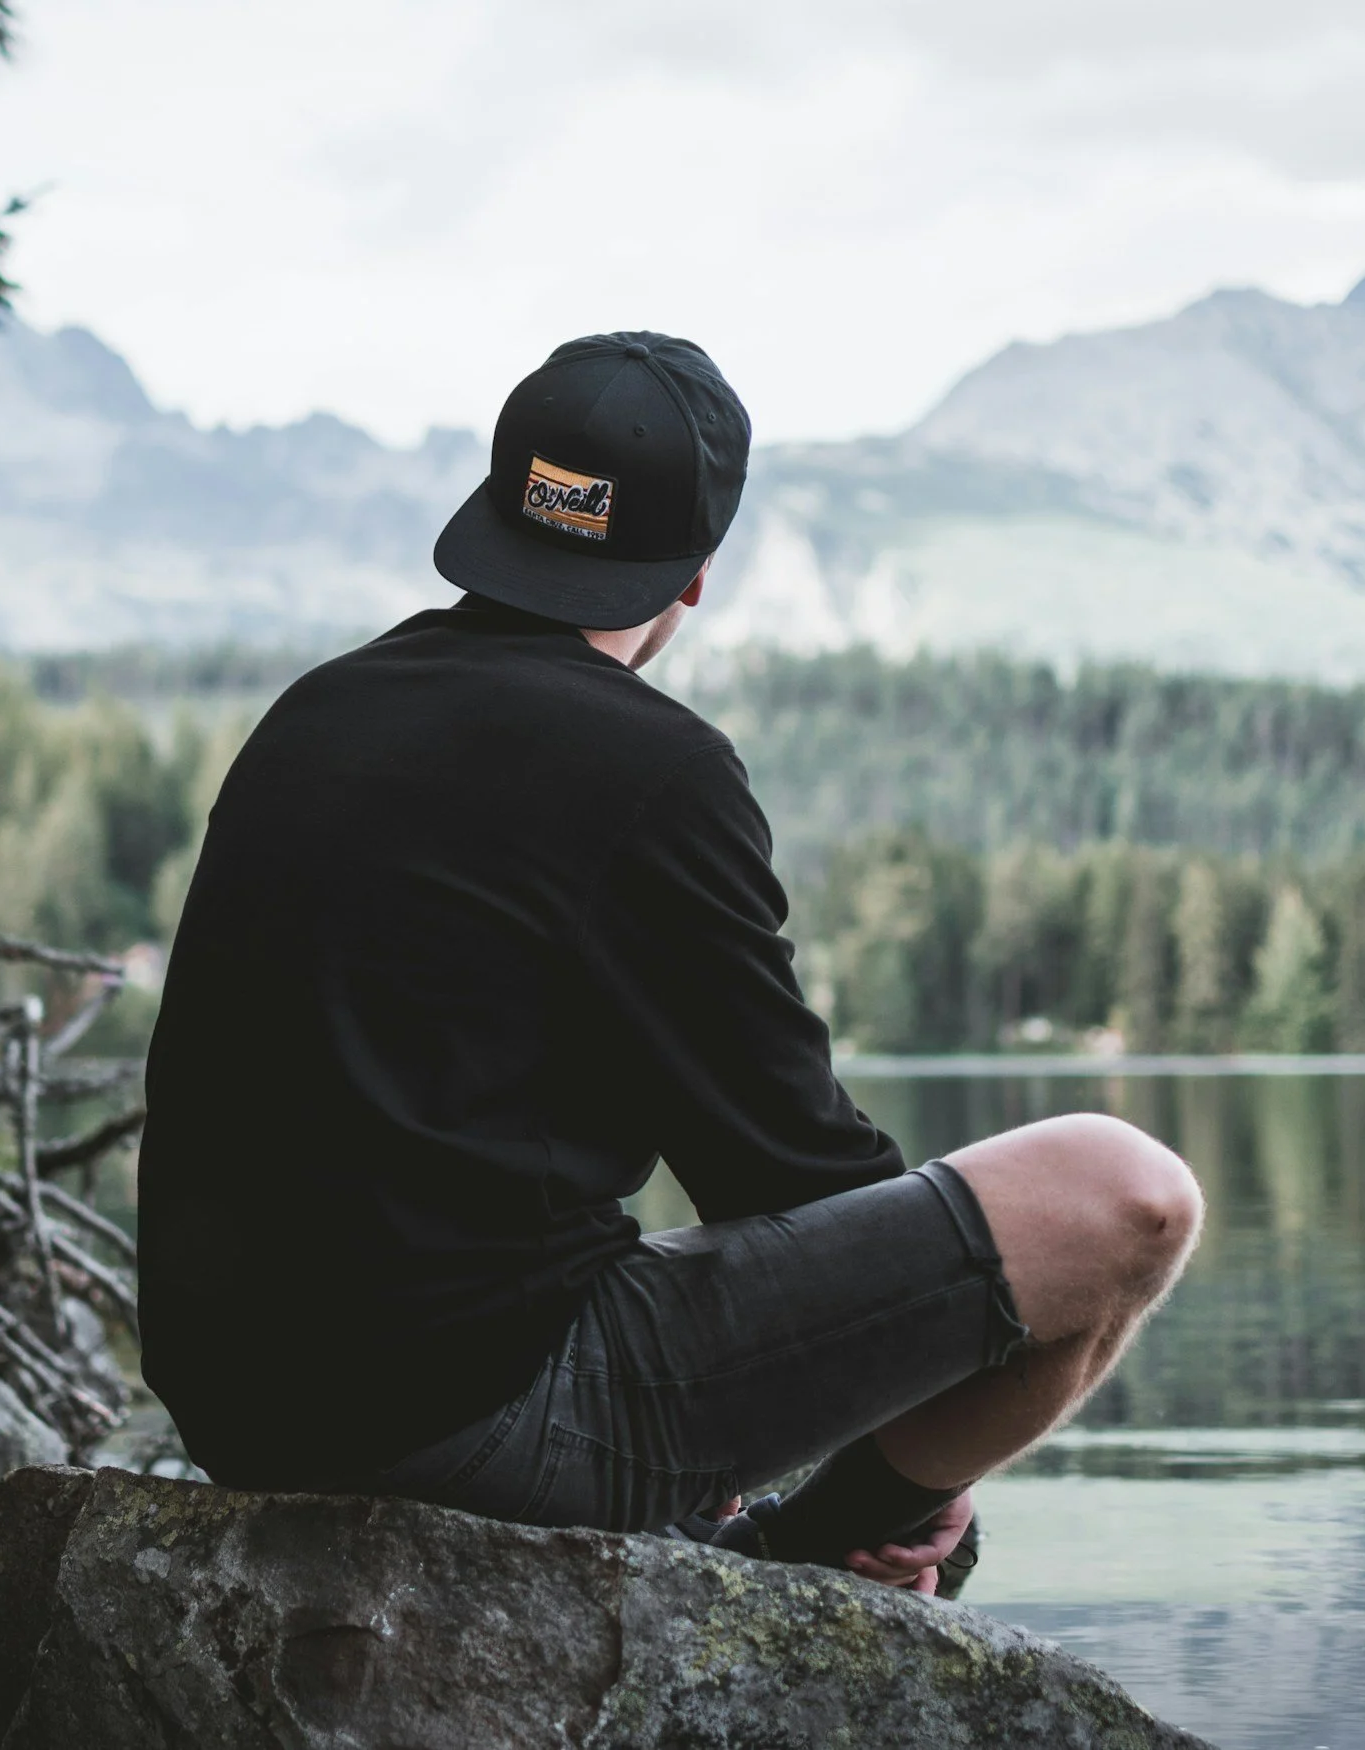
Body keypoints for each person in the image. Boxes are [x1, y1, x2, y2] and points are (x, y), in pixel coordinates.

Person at [137, 331, 1202, 1594]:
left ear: (493, 511)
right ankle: (835, 1547)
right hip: (458, 1422)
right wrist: (934, 1402)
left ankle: (785, 1537)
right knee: (1124, 1193)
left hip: (237, 1409)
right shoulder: (651, 767)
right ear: (692, 578)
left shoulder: (313, 713)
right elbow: (785, 1169)